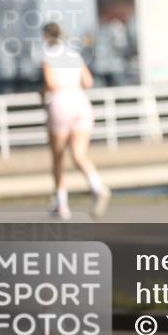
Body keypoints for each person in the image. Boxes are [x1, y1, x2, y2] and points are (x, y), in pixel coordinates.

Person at [40, 22, 111, 220]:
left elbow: (51, 84)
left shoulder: (48, 57)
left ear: (46, 37)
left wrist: (42, 94)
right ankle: (97, 186)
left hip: (60, 103)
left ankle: (62, 204)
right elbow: (88, 82)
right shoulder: (74, 55)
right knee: (79, 154)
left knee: (58, 157)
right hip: (80, 102)